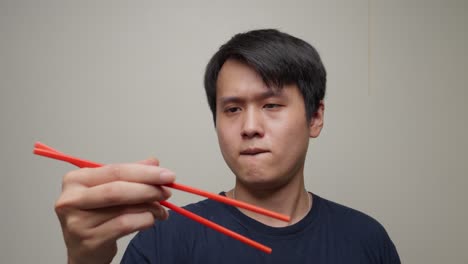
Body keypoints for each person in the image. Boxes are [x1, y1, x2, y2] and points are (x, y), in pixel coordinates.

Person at [55, 29, 400, 263]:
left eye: (272, 105)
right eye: (232, 109)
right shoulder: (164, 242)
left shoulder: (366, 240)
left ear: (315, 117)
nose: (250, 127)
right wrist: (83, 262)